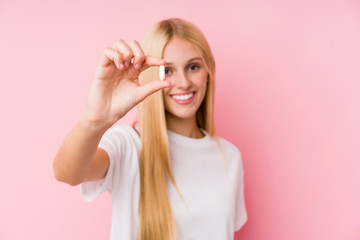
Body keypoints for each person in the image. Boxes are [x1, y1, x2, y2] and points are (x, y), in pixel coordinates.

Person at [53, 18, 247, 240]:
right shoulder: (128, 145)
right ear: (151, 74)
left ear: (209, 70)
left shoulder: (230, 157)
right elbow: (66, 173)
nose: (183, 82)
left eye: (193, 67)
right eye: (168, 70)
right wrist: (94, 119)